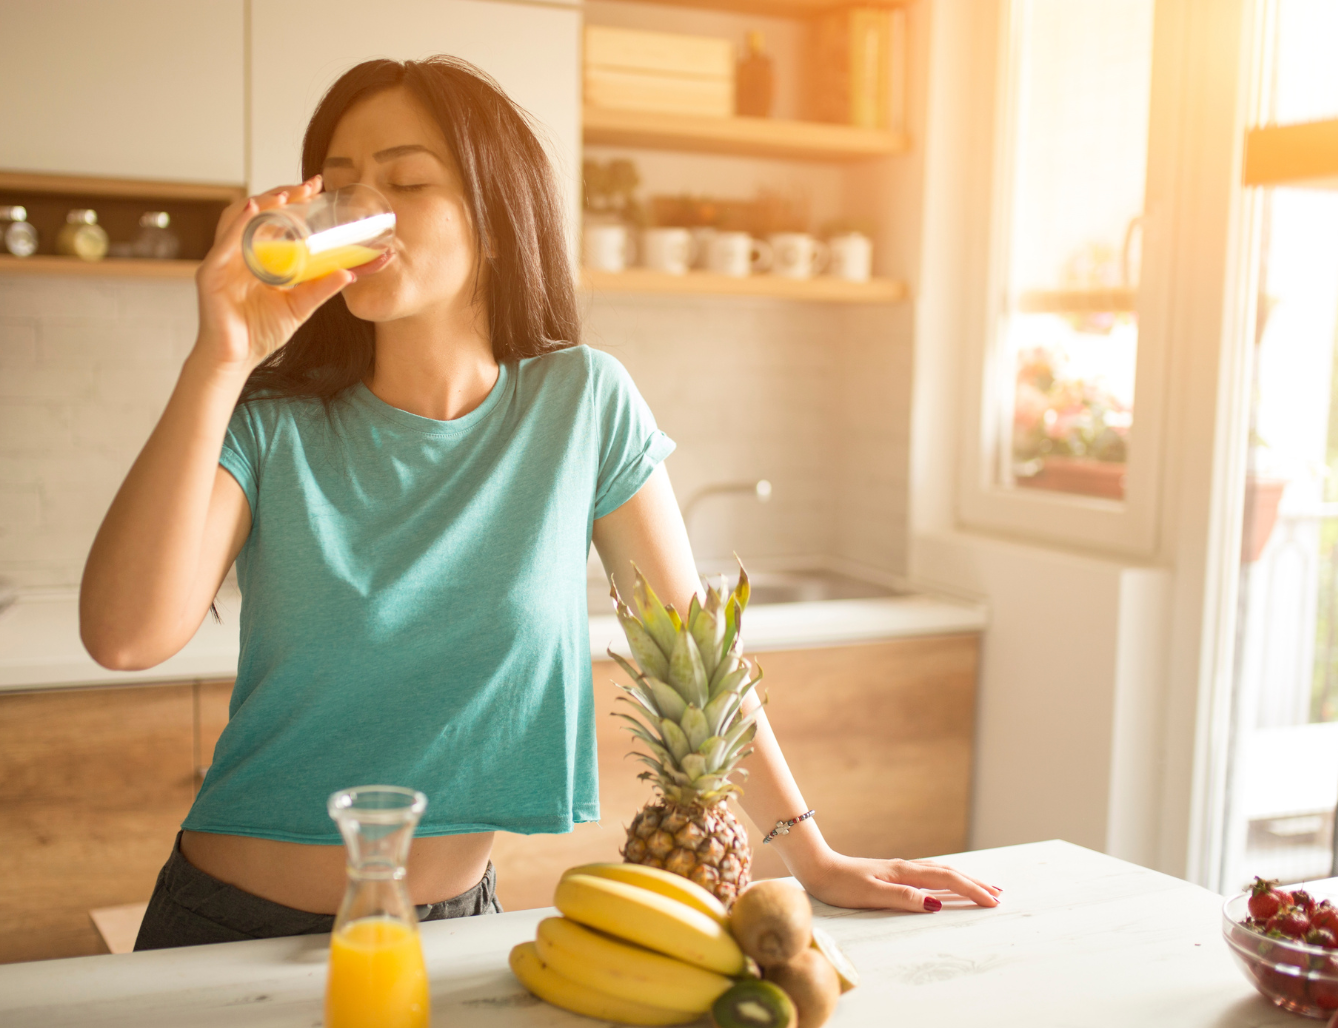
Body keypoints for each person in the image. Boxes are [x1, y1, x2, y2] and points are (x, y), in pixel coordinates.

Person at [80, 56, 1000, 949]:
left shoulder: (581, 403)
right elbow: (125, 637)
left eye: (405, 181)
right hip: (229, 928)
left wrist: (813, 857)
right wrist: (222, 356)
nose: (364, 211)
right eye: (343, 186)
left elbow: (691, 656)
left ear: (494, 217)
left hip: (457, 929)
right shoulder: (273, 422)